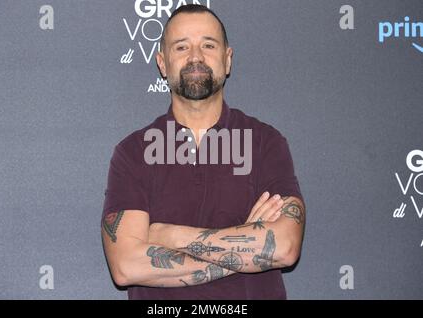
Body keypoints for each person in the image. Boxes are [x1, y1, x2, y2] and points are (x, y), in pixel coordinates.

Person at [101, 4, 305, 300]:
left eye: (208, 45)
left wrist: (170, 236)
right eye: (181, 47)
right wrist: (246, 241)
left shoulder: (264, 142)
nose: (195, 56)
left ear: (228, 59)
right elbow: (126, 266)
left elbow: (284, 247)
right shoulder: (133, 153)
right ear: (162, 63)